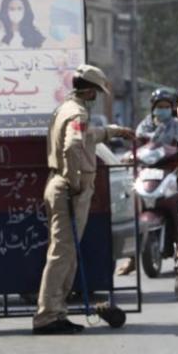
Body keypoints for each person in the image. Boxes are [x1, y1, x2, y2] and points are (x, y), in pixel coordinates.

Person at [33, 64, 134, 335]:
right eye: (96, 92)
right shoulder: (77, 113)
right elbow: (72, 146)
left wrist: (114, 131)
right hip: (69, 188)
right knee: (61, 253)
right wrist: (75, 182)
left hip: (61, 185)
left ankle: (56, 310)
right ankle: (48, 315)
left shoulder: (66, 109)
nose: (96, 97)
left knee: (65, 253)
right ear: (90, 91)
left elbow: (86, 137)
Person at [115, 88, 178, 282]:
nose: (162, 110)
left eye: (165, 107)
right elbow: (136, 145)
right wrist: (129, 156)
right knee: (131, 210)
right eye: (158, 107)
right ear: (153, 109)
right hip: (146, 174)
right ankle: (131, 258)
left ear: (171, 108)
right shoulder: (144, 126)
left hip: (171, 172)